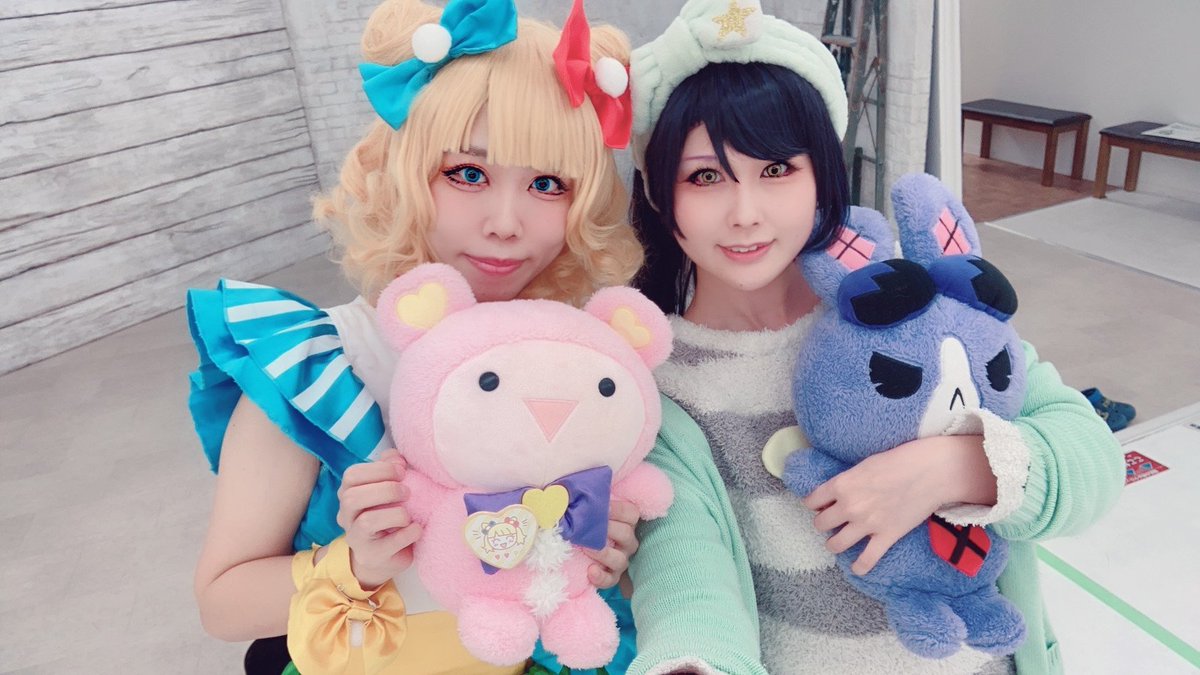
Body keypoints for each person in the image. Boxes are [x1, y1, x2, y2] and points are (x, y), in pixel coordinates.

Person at [622, 1, 1125, 673]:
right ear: (660, 194)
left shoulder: (917, 306)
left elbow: (1092, 460)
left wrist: (957, 466)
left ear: (822, 176)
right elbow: (686, 579)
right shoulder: (657, 382)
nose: (745, 213)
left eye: (777, 169)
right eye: (706, 176)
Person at [185, 0, 649, 672]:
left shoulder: (574, 362)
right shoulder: (320, 364)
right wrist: (356, 564)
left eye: (547, 184)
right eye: (468, 174)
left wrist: (600, 552)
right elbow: (222, 604)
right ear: (404, 170)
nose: (505, 222)